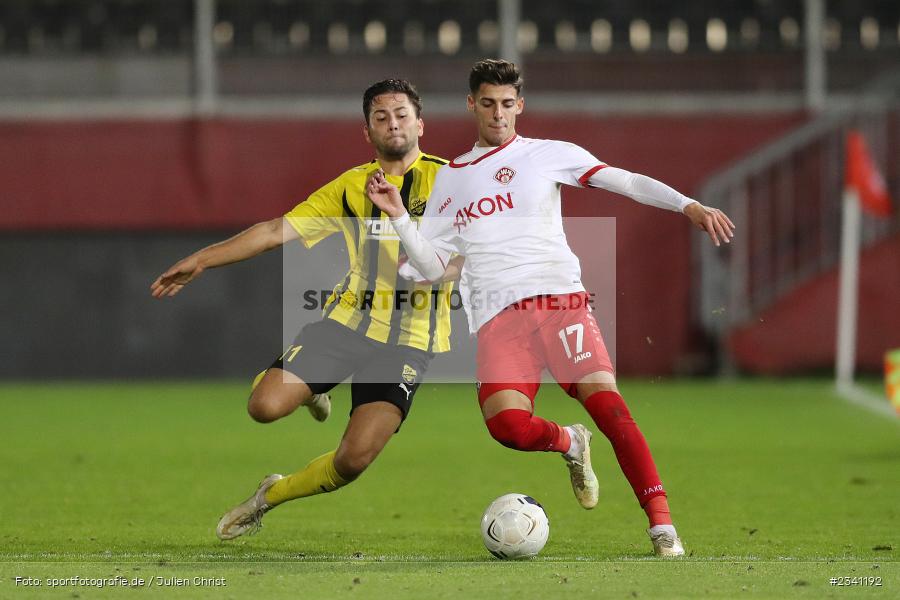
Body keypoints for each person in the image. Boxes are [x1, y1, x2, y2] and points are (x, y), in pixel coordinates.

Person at [366, 59, 735, 557]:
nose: (499, 115)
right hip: (499, 319)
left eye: (508, 105)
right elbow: (433, 267)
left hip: (560, 303)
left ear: (520, 106)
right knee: (508, 428)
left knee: (611, 409)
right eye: (489, 104)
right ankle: (569, 442)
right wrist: (398, 219)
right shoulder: (450, 181)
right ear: (472, 104)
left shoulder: (547, 155)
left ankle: (662, 526)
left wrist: (687, 204)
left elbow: (624, 181)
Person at [151, 79, 461, 540]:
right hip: (347, 326)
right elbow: (276, 230)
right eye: (381, 117)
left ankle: (268, 496)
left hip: (410, 342)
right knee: (263, 407)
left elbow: (475, 251)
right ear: (367, 132)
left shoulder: (453, 181)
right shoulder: (351, 187)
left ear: (421, 123)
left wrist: (445, 270)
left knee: (352, 461)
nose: (392, 123)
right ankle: (314, 390)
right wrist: (202, 259)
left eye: (401, 114)